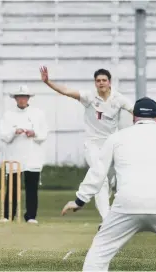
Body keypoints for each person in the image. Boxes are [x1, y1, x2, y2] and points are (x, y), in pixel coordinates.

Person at [61, 97, 156, 272]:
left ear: (134, 117)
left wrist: (79, 201)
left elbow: (97, 172)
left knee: (98, 254)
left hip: (128, 204)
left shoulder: (117, 138)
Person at [40, 66, 133, 229]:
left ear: (110, 82)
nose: (101, 83)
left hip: (112, 144)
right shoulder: (89, 97)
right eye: (98, 81)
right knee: (100, 178)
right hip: (93, 144)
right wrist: (48, 82)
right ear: (95, 83)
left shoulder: (119, 98)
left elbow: (136, 111)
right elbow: (67, 91)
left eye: (104, 80)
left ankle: (115, 212)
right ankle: (106, 219)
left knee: (112, 180)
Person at [0, 85, 48, 224]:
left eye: (24, 97)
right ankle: (8, 215)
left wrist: (34, 133)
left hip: (33, 155)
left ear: (28, 98)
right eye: (19, 97)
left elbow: (44, 134)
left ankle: (31, 216)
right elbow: (3, 135)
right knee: (12, 187)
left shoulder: (38, 113)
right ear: (15, 99)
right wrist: (14, 132)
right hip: (14, 155)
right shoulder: (8, 115)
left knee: (32, 187)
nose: (22, 100)